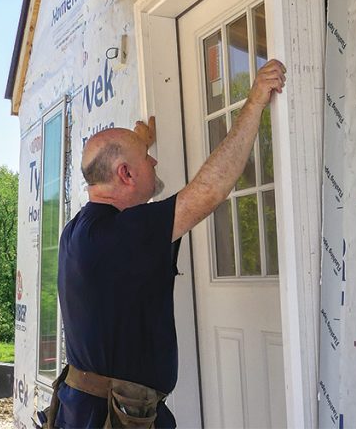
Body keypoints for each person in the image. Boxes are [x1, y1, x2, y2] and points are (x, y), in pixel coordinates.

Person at [40, 59, 287, 428]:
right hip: (109, 418)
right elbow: (209, 192)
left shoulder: (82, 230)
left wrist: (138, 143)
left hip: (88, 409)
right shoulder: (120, 235)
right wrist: (253, 103)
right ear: (125, 174)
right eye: (146, 158)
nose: (154, 160)